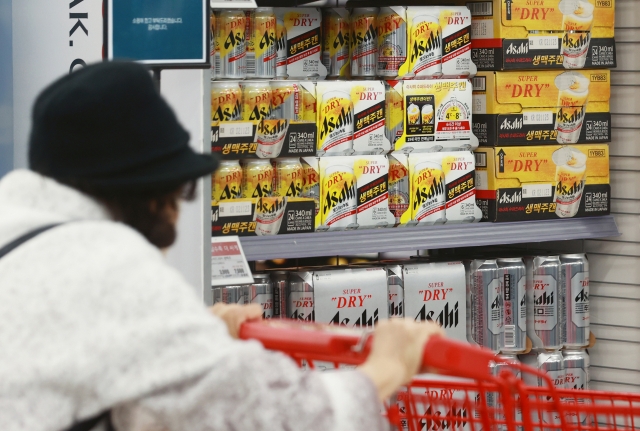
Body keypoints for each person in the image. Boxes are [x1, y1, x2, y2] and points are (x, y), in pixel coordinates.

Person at [0, 61, 444, 431]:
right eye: (178, 198)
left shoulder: (18, 234)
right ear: (155, 196)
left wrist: (197, 338)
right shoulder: (110, 263)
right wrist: (387, 366)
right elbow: (276, 419)